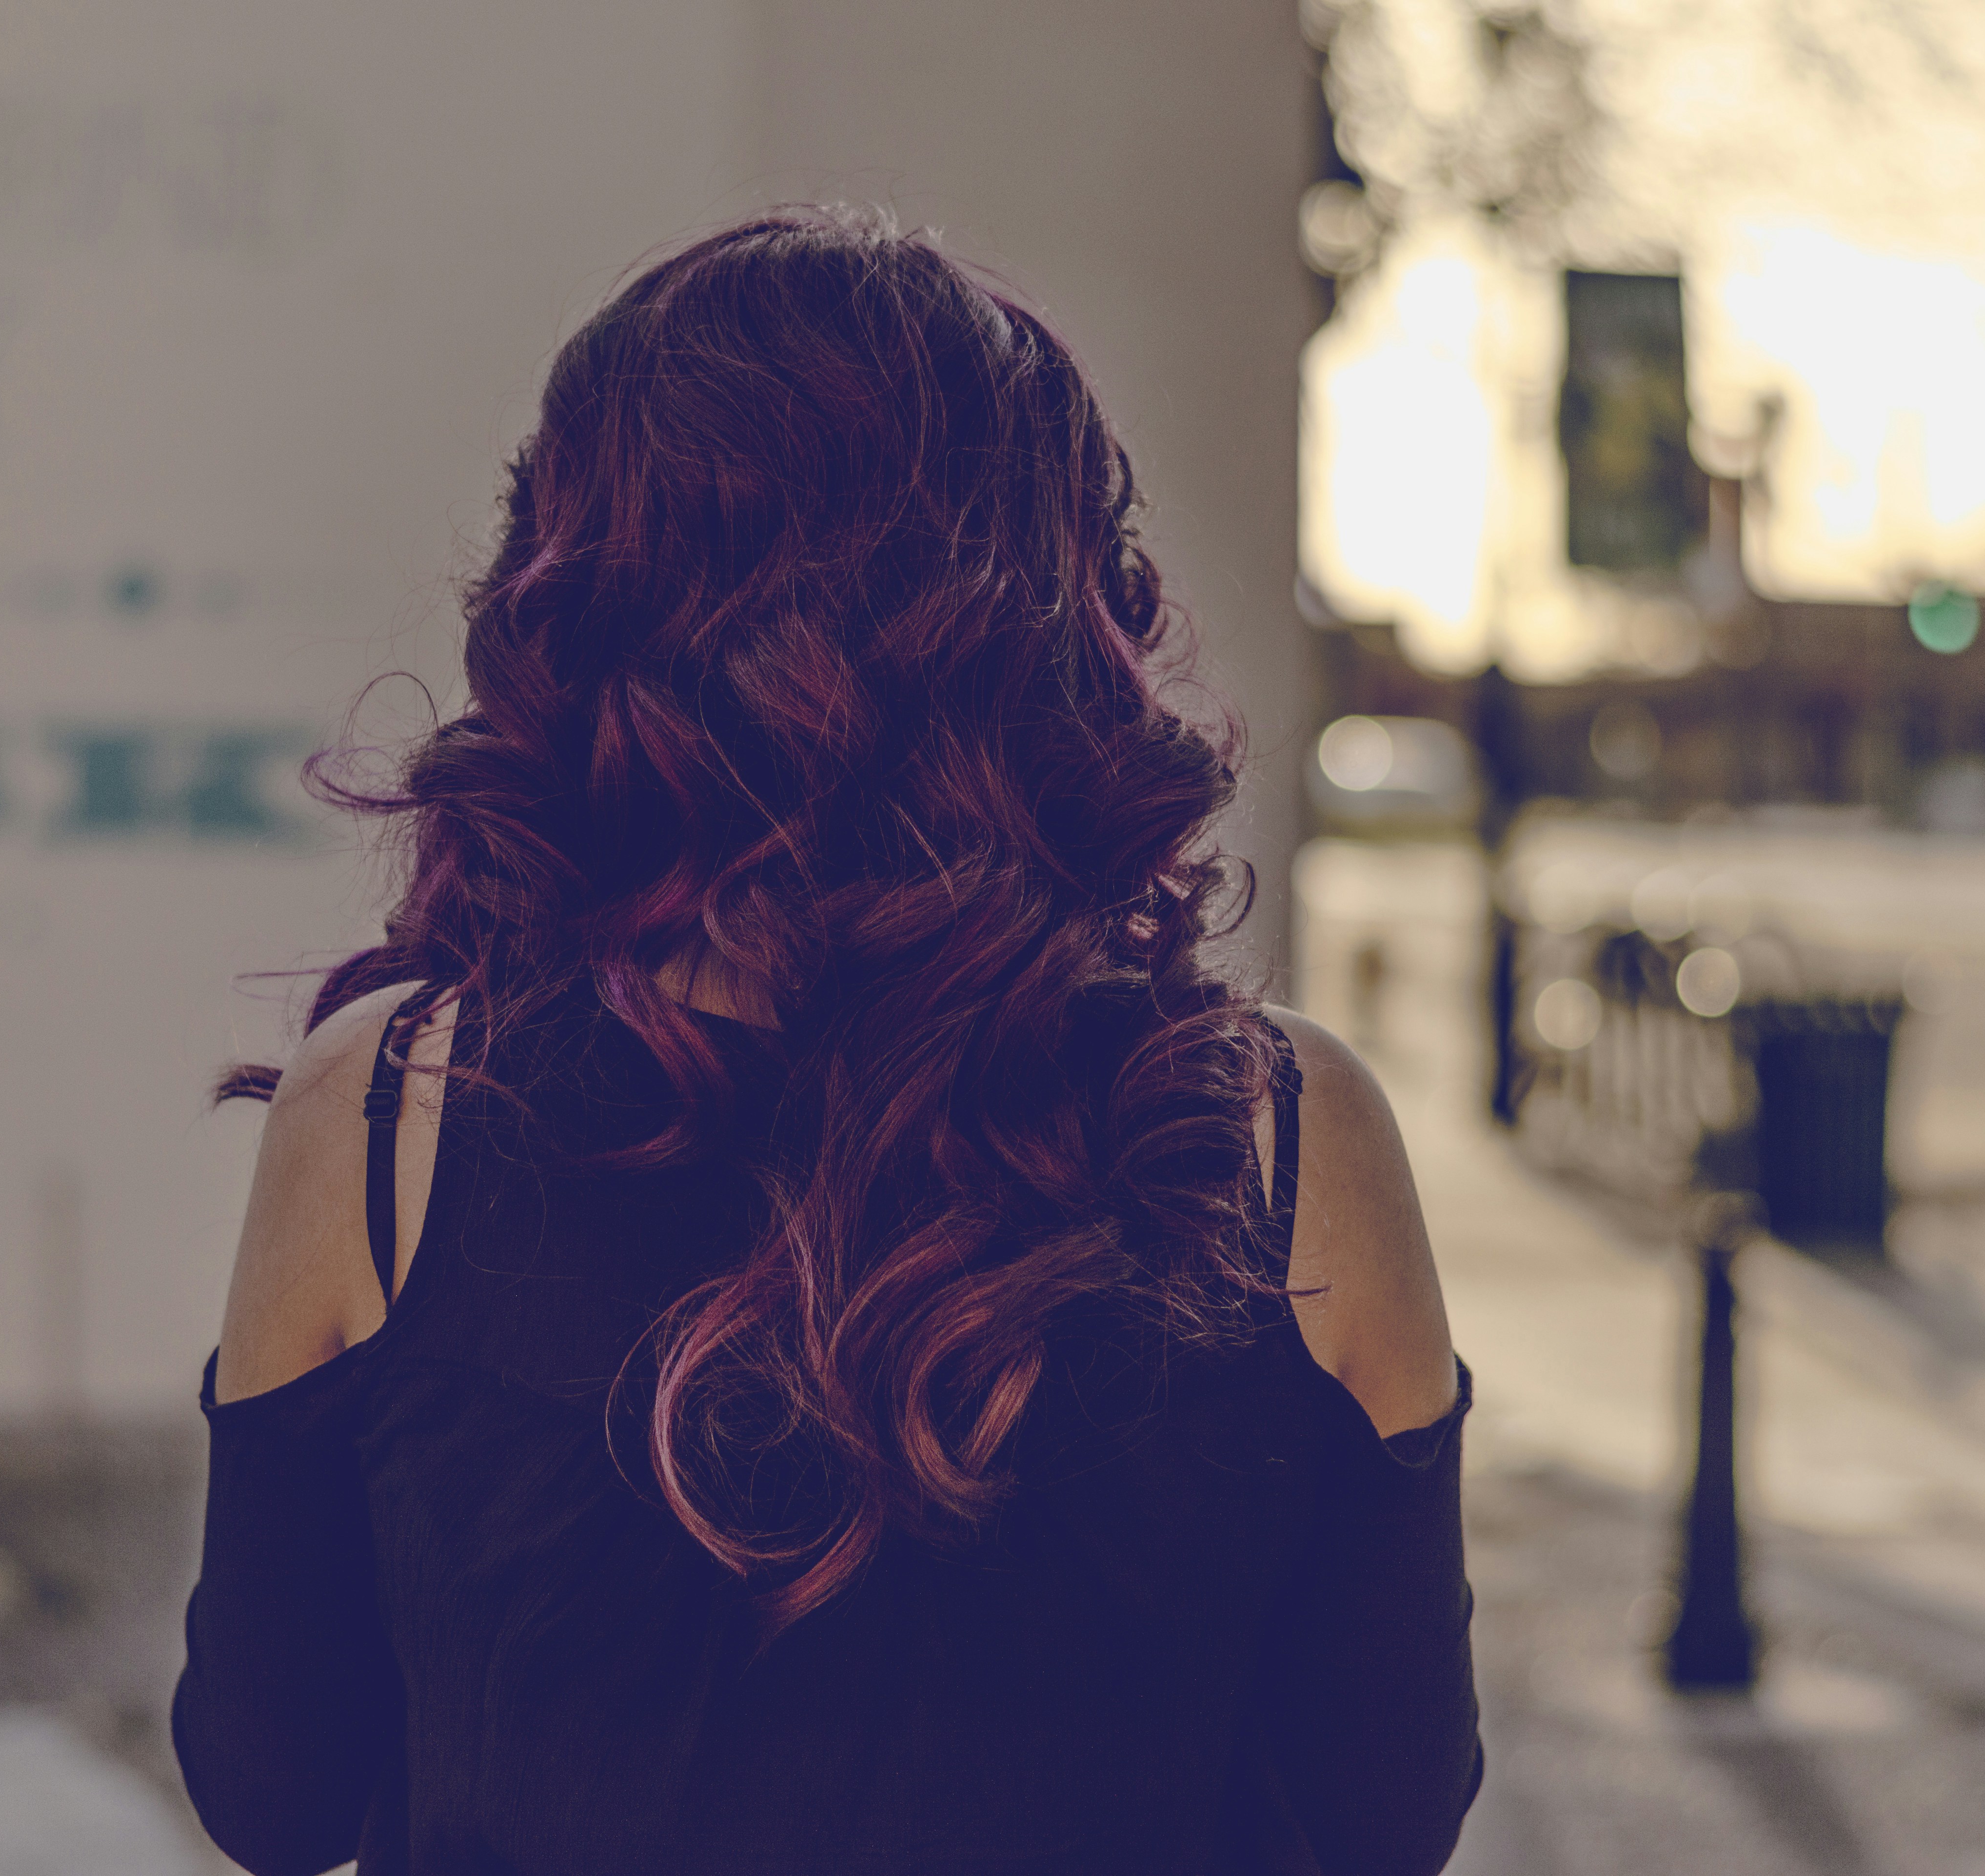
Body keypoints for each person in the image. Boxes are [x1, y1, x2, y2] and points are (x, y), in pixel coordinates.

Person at [173, 206, 1481, 1876]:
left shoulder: (392, 1113)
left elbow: (276, 1791)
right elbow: (1382, 1816)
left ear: (579, 598)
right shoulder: (1288, 1133)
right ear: (1059, 609)